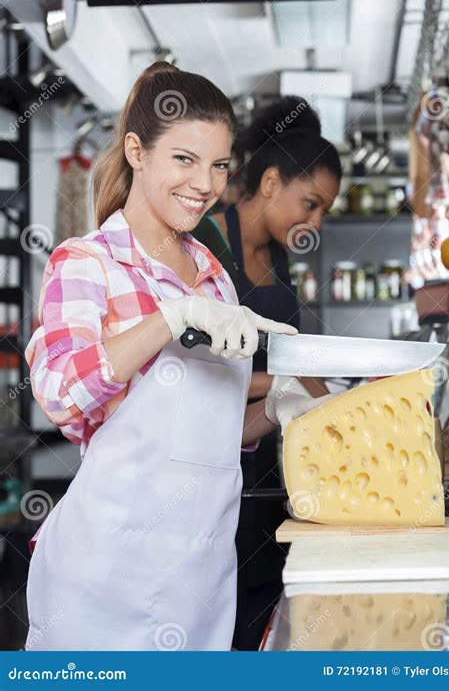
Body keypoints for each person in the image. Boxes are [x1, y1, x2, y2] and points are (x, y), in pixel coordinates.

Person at [24, 62, 312, 651]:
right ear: (136, 151)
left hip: (200, 579)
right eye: (184, 159)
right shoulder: (87, 263)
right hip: (104, 583)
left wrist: (283, 407)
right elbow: (57, 391)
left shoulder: (214, 280)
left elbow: (210, 436)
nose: (205, 184)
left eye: (218, 165)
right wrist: (166, 320)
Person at [193, 97, 342, 649]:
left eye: (323, 210)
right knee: (217, 612)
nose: (315, 222)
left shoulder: (278, 259)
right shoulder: (206, 243)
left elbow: (291, 360)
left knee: (263, 611)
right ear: (272, 183)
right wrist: (283, 388)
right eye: (310, 203)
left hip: (264, 465)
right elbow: (194, 368)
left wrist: (341, 405)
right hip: (210, 456)